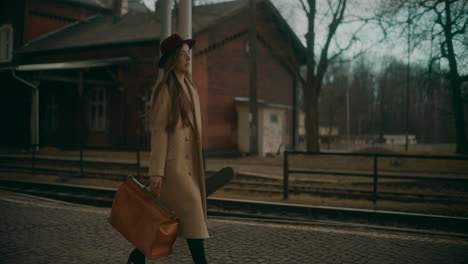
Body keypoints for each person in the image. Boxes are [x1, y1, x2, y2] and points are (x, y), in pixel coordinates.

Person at [127, 34, 209, 264]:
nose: (188, 58)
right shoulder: (165, 90)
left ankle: (136, 257)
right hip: (173, 168)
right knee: (193, 217)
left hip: (189, 166)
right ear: (173, 58)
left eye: (189, 54)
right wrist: (156, 171)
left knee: (164, 221)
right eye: (183, 54)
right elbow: (159, 133)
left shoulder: (190, 88)